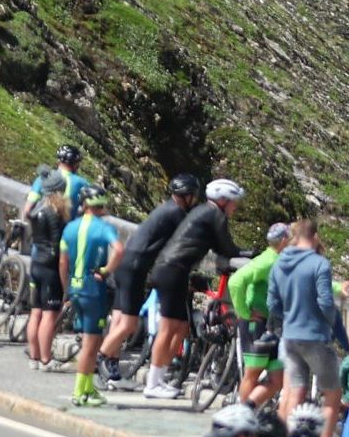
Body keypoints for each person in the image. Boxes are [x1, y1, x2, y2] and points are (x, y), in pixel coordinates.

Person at [145, 176, 245, 400]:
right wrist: (251, 254)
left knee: (181, 328)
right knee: (169, 328)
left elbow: (217, 247)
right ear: (223, 200)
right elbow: (227, 248)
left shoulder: (203, 211)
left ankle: (159, 379)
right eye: (234, 202)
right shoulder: (215, 214)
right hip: (173, 270)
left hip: (171, 269)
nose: (235, 207)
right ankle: (153, 383)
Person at [99, 173, 201, 385]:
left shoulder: (166, 208)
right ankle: (98, 361)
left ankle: (112, 371)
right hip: (136, 268)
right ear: (187, 196)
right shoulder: (177, 214)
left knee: (118, 320)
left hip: (125, 264)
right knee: (129, 324)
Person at [268, 219, 341, 437]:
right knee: (332, 392)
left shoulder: (279, 263)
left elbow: (272, 303)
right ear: (315, 237)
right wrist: (329, 324)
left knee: (296, 390)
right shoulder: (319, 263)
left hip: (289, 335)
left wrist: (288, 319)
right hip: (315, 336)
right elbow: (326, 302)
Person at [59, 184, 124, 407]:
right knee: (91, 342)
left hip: (75, 287)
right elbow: (119, 250)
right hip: (93, 289)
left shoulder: (70, 227)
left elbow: (63, 261)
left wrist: (66, 289)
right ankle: (79, 390)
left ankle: (88, 388)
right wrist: (106, 270)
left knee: (92, 339)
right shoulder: (103, 227)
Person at [228, 221, 291, 404]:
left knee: (277, 379)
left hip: (271, 325)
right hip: (256, 323)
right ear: (284, 241)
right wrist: (244, 312)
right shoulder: (268, 260)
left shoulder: (277, 259)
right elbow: (236, 281)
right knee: (252, 373)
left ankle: (249, 409)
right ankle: (242, 412)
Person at [26, 169, 68, 369]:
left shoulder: (37, 209)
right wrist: (65, 282)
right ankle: (45, 359)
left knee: (35, 312)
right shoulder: (56, 214)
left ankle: (34, 356)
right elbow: (59, 247)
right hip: (50, 268)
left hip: (36, 264)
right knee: (49, 314)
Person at [27, 144, 88, 220]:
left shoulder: (44, 177)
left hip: (41, 223)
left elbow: (27, 209)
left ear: (59, 161)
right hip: (67, 226)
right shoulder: (83, 183)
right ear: (76, 164)